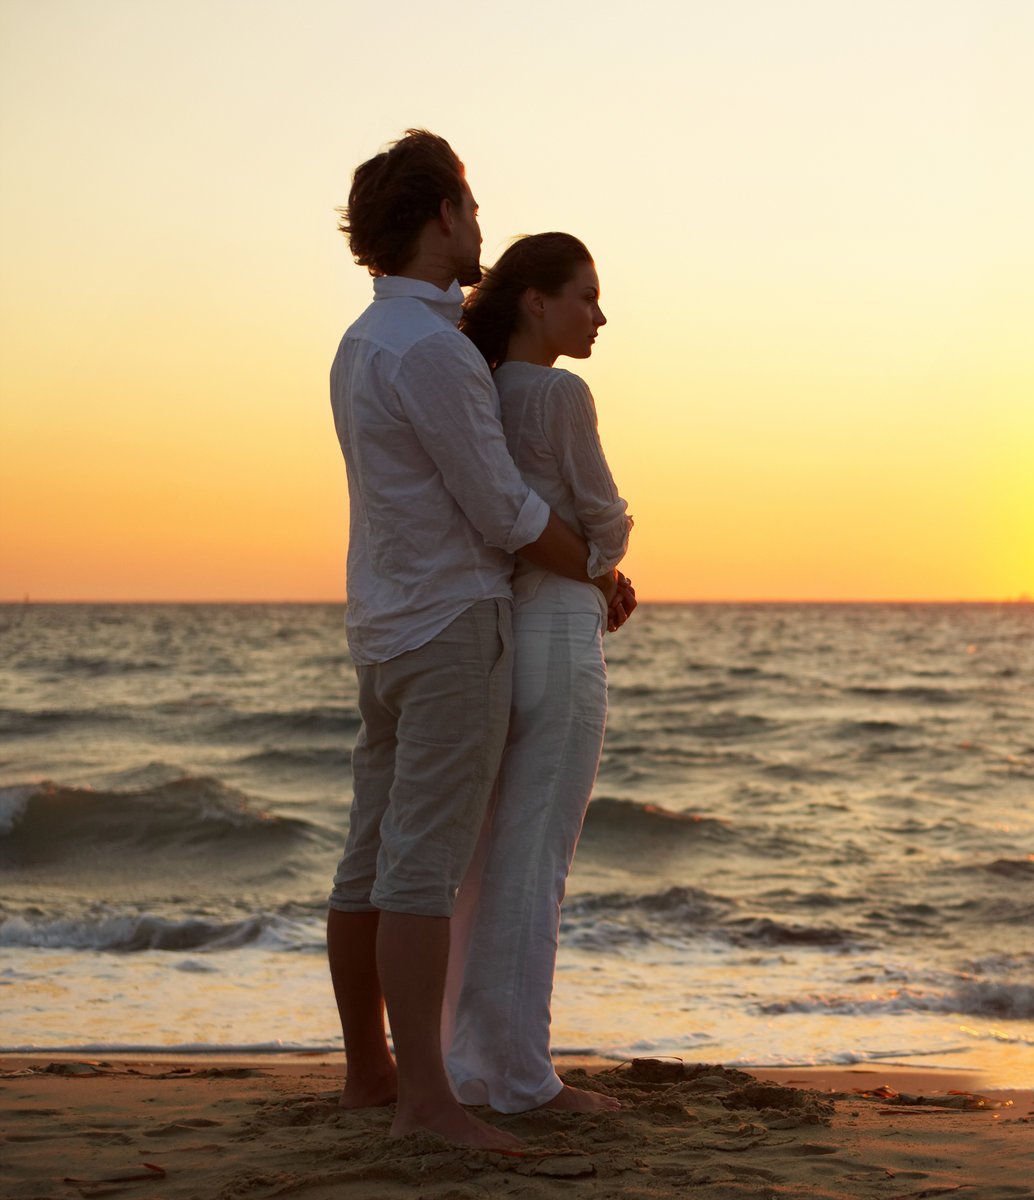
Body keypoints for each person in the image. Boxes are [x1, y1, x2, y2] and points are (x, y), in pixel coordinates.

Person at [326, 131, 620, 1150]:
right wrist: (598, 567)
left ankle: (371, 1074)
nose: (482, 229)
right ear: (443, 214)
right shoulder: (434, 352)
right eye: (472, 206)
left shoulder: (365, 342)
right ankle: (427, 1101)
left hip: (382, 624)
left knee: (369, 861)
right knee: (425, 868)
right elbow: (500, 508)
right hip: (453, 625)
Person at [444, 232, 635, 1114]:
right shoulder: (561, 393)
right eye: (585, 296)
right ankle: (521, 1076)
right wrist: (606, 564)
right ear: (535, 300)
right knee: (535, 863)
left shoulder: (478, 390)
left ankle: (472, 1063)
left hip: (507, 631)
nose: (599, 315)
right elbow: (604, 520)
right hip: (560, 635)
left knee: (489, 858)